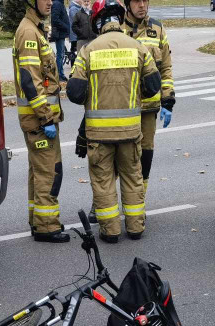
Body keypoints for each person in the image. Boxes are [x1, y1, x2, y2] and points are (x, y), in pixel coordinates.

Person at [67, 0, 161, 242]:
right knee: (132, 178)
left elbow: (75, 94)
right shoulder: (138, 47)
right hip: (130, 131)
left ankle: (110, 231)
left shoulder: (88, 51)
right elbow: (153, 87)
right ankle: (136, 228)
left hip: (99, 136)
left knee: (103, 181)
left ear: (98, 22)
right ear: (119, 20)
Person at [14, 0, 71, 243]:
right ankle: (47, 226)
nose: (50, 2)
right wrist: (46, 117)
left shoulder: (34, 28)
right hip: (39, 120)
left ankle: (38, 220)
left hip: (40, 119)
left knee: (38, 172)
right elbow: (30, 81)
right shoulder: (28, 31)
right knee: (49, 171)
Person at [124, 0, 176, 194]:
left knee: (146, 154)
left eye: (145, 1)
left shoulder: (157, 28)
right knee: (116, 156)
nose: (142, 5)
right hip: (122, 107)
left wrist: (168, 99)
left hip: (149, 107)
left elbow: (166, 67)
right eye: (137, 1)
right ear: (127, 4)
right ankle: (101, 202)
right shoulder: (116, 28)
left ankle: (139, 200)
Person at [51, 0, 72, 81]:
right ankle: (59, 75)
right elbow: (55, 19)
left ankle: (60, 74)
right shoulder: (57, 4)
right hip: (59, 33)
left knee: (61, 54)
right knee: (60, 55)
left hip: (61, 33)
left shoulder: (59, 3)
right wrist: (65, 26)